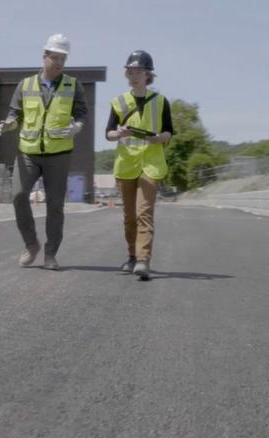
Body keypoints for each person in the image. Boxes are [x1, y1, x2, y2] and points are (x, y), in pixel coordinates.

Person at [0, 33, 87, 270]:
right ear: (44, 56)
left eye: (63, 59)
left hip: (58, 154)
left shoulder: (73, 85)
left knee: (55, 206)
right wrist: (9, 124)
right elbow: (15, 114)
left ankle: (50, 254)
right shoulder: (25, 85)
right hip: (28, 152)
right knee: (18, 195)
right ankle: (31, 244)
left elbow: (81, 114)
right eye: (55, 57)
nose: (59, 63)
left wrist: (76, 127)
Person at [105, 50, 175, 280]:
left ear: (148, 75)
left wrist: (159, 138)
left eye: (139, 72)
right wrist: (119, 133)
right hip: (126, 165)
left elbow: (169, 132)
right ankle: (132, 256)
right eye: (131, 72)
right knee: (130, 216)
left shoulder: (161, 102)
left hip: (151, 165)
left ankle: (143, 260)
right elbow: (109, 134)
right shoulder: (118, 102)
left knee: (144, 212)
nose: (134, 76)